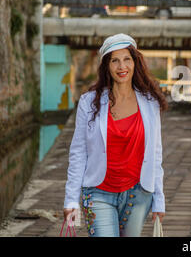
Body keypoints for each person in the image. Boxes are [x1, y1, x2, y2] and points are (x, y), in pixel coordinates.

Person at [63, 33, 168, 237]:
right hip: (97, 192)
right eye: (115, 60)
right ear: (107, 66)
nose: (122, 67)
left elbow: (155, 153)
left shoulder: (149, 103)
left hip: (139, 194)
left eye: (127, 59)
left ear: (135, 63)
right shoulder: (88, 102)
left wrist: (159, 198)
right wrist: (71, 199)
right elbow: (78, 153)